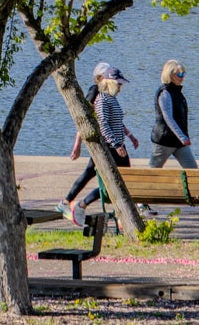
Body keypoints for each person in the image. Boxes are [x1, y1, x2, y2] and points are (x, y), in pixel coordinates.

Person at [57, 62, 139, 225]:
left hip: (119, 146)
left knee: (124, 182)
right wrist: (116, 145)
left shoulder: (111, 98)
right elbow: (102, 124)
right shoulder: (101, 99)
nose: (121, 87)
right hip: (111, 147)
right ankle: (81, 205)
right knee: (113, 183)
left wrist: (128, 136)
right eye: (119, 83)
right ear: (110, 82)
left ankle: (124, 216)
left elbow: (116, 122)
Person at [148, 59, 197, 168]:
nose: (182, 77)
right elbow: (168, 118)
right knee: (153, 171)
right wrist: (183, 137)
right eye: (179, 74)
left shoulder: (177, 92)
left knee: (193, 171)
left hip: (179, 142)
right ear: (170, 75)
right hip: (164, 141)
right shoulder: (165, 93)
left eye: (183, 74)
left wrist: (182, 138)